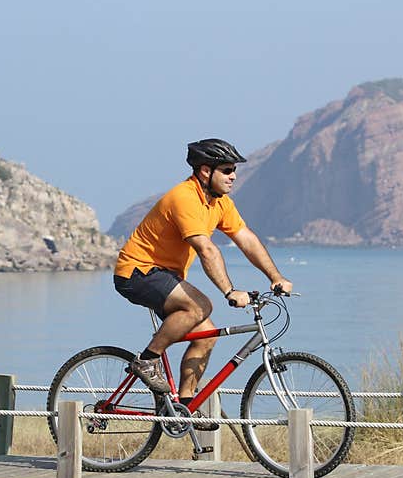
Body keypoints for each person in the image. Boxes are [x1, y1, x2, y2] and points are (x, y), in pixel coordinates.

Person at [113, 138, 293, 430]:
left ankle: (184, 407)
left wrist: (275, 277)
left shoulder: (219, 203)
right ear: (205, 171)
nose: (233, 175)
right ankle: (147, 361)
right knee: (200, 305)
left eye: (234, 169)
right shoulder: (184, 198)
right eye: (227, 170)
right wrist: (229, 291)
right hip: (137, 272)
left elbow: (246, 239)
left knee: (207, 334)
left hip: (165, 276)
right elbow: (206, 249)